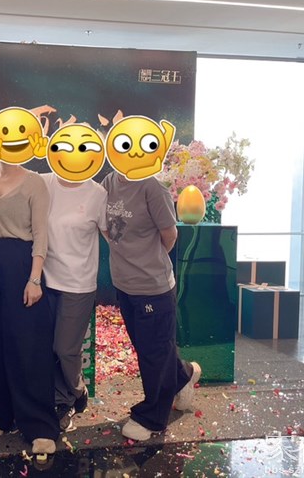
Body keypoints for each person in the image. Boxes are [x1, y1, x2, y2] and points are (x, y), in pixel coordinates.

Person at [101, 171, 201, 441]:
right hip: (124, 283)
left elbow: (170, 235)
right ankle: (184, 375)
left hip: (153, 286)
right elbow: (105, 225)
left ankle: (153, 418)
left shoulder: (152, 188)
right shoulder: (109, 182)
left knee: (154, 353)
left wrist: (147, 258)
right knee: (149, 347)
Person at [0, 162, 60, 455]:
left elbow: (41, 234)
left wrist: (34, 279)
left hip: (22, 265)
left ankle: (40, 425)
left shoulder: (34, 182)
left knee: (28, 345)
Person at [41, 172, 108, 432]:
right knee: (46, 347)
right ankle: (61, 400)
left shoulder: (97, 193)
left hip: (78, 284)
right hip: (44, 280)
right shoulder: (44, 182)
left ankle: (77, 390)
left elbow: (112, 237)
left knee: (65, 349)